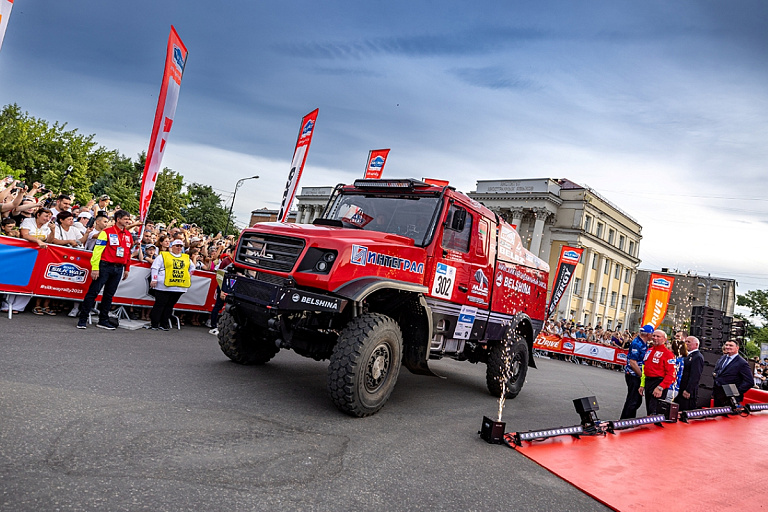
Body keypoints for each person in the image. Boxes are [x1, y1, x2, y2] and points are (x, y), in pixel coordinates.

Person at [76, 210, 133, 330]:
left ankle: (103, 320)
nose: (128, 221)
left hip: (119, 268)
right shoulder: (106, 232)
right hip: (105, 266)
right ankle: (82, 319)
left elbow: (128, 253)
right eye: (125, 219)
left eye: (128, 219)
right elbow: (97, 251)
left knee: (109, 295)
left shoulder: (128, 235)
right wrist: (95, 268)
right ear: (118, 219)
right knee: (93, 292)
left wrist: (127, 268)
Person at [147, 239, 194, 330]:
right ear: (172, 246)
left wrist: (187, 275)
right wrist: (154, 279)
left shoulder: (186, 257)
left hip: (178, 286)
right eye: (177, 246)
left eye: (181, 246)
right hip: (163, 286)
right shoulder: (163, 255)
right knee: (160, 304)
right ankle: (155, 324)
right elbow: (155, 267)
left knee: (169, 306)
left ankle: (164, 324)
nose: (179, 248)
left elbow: (192, 267)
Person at [638, 330, 677, 416]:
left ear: (664, 339)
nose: (655, 338)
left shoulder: (668, 354)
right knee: (649, 410)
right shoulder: (649, 350)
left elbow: (671, 374)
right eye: (654, 336)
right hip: (648, 382)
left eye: (658, 336)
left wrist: (660, 387)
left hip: (658, 383)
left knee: (654, 412)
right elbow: (645, 368)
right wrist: (642, 384)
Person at [619, 324, 653, 419]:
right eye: (652, 334)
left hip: (636, 374)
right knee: (633, 400)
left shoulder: (643, 343)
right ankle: (625, 420)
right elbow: (633, 362)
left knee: (636, 400)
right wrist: (641, 376)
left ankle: (629, 419)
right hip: (633, 375)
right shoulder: (637, 343)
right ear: (648, 334)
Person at [712, 339, 754, 406]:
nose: (727, 347)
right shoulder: (722, 358)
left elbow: (750, 382)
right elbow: (717, 372)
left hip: (731, 398)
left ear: (737, 348)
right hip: (718, 395)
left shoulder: (742, 363)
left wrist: (736, 392)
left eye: (731, 345)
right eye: (726, 345)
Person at [674, 336, 704, 411]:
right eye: (686, 341)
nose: (686, 343)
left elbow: (695, 375)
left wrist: (688, 390)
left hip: (687, 390)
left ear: (696, 345)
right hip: (680, 388)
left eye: (689, 342)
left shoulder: (697, 357)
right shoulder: (686, 355)